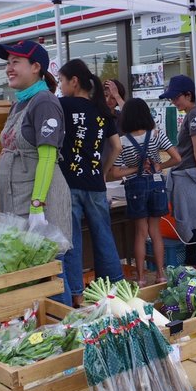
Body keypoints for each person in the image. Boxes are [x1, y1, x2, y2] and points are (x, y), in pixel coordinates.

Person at [0, 39, 72, 305]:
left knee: (51, 271)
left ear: (36, 66)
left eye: (16, 62)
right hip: (20, 202)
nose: (9, 68)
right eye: (8, 62)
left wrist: (37, 205)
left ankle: (64, 330)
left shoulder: (45, 103)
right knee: (34, 273)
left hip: (40, 202)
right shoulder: (20, 103)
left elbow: (48, 156)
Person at [58, 59, 124, 307]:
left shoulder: (62, 106)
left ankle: (76, 294)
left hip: (69, 184)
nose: (61, 88)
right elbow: (116, 147)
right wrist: (103, 172)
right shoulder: (102, 111)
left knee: (72, 240)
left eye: (62, 82)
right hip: (96, 184)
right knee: (104, 235)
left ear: (74, 82)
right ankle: (113, 289)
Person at [112, 98, 180, 285]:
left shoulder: (122, 141)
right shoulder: (157, 134)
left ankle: (141, 278)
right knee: (155, 232)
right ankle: (161, 274)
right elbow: (176, 158)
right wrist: (159, 166)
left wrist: (135, 169)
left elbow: (116, 172)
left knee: (141, 233)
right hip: (156, 184)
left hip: (135, 186)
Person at [159, 75, 196, 265]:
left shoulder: (194, 115)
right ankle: (192, 265)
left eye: (176, 97)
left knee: (194, 226)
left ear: (188, 94)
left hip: (188, 176)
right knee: (192, 224)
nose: (174, 102)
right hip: (187, 175)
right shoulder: (193, 115)